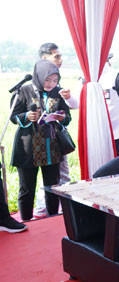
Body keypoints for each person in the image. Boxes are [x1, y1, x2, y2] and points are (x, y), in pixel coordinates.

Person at [10, 60, 71, 221]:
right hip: (28, 147)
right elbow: (13, 115)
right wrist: (26, 117)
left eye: (55, 80)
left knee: (52, 186)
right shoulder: (24, 90)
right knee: (27, 188)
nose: (51, 84)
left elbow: (67, 116)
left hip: (52, 147)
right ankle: (26, 220)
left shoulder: (58, 92)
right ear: (39, 76)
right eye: (48, 80)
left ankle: (52, 219)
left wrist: (62, 117)